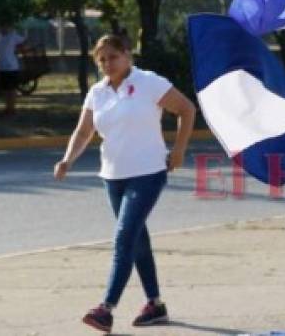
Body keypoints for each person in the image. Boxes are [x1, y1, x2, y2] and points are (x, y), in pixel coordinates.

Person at [53, 34, 196, 332]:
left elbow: (186, 109)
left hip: (148, 171)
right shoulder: (97, 92)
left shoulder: (149, 82)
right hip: (113, 175)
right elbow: (83, 133)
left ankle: (106, 308)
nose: (107, 64)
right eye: (101, 59)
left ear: (127, 55)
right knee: (136, 240)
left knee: (123, 239)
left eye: (113, 57)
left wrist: (179, 150)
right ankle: (155, 305)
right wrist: (68, 160)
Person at [0, 25, 26, 117]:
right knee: (5, 90)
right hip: (2, 67)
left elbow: (23, 42)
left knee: (12, 89)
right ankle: (7, 108)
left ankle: (12, 109)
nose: (3, 28)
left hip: (12, 66)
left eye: (5, 26)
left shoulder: (13, 35)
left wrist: (18, 50)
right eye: (2, 26)